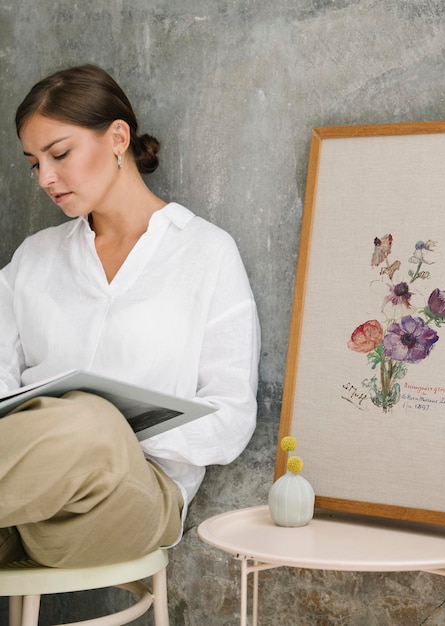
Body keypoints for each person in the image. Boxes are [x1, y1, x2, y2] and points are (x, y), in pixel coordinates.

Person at [0, 64, 261, 567]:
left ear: (117, 137)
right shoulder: (33, 258)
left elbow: (232, 421)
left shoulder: (205, 253)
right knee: (76, 419)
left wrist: (113, 426)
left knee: (91, 421)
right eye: (34, 163)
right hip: (20, 501)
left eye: (59, 154)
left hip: (133, 497)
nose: (45, 178)